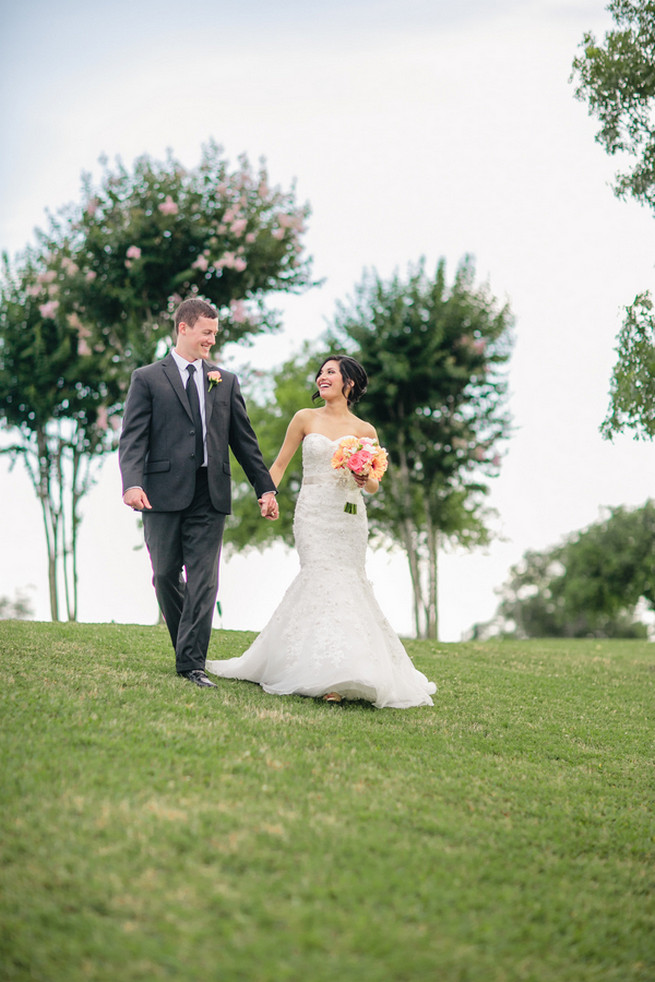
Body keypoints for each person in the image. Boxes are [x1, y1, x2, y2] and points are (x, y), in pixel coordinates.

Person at [206, 355, 436, 708]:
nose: (322, 377)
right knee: (319, 576)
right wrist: (267, 494)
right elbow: (280, 463)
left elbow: (374, 484)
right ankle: (321, 671)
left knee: (347, 580)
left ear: (350, 384)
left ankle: (350, 670)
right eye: (321, 372)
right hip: (313, 512)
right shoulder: (304, 418)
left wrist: (365, 479)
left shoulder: (365, 430)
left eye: (331, 372)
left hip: (349, 516)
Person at [119, 297, 278, 688]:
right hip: (159, 493)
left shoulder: (225, 380)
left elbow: (244, 441)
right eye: (206, 332)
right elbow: (133, 438)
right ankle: (185, 646)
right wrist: (132, 483)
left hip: (211, 492)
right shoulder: (148, 378)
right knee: (165, 574)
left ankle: (191, 663)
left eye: (215, 334)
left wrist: (265, 488)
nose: (211, 340)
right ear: (184, 328)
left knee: (205, 578)